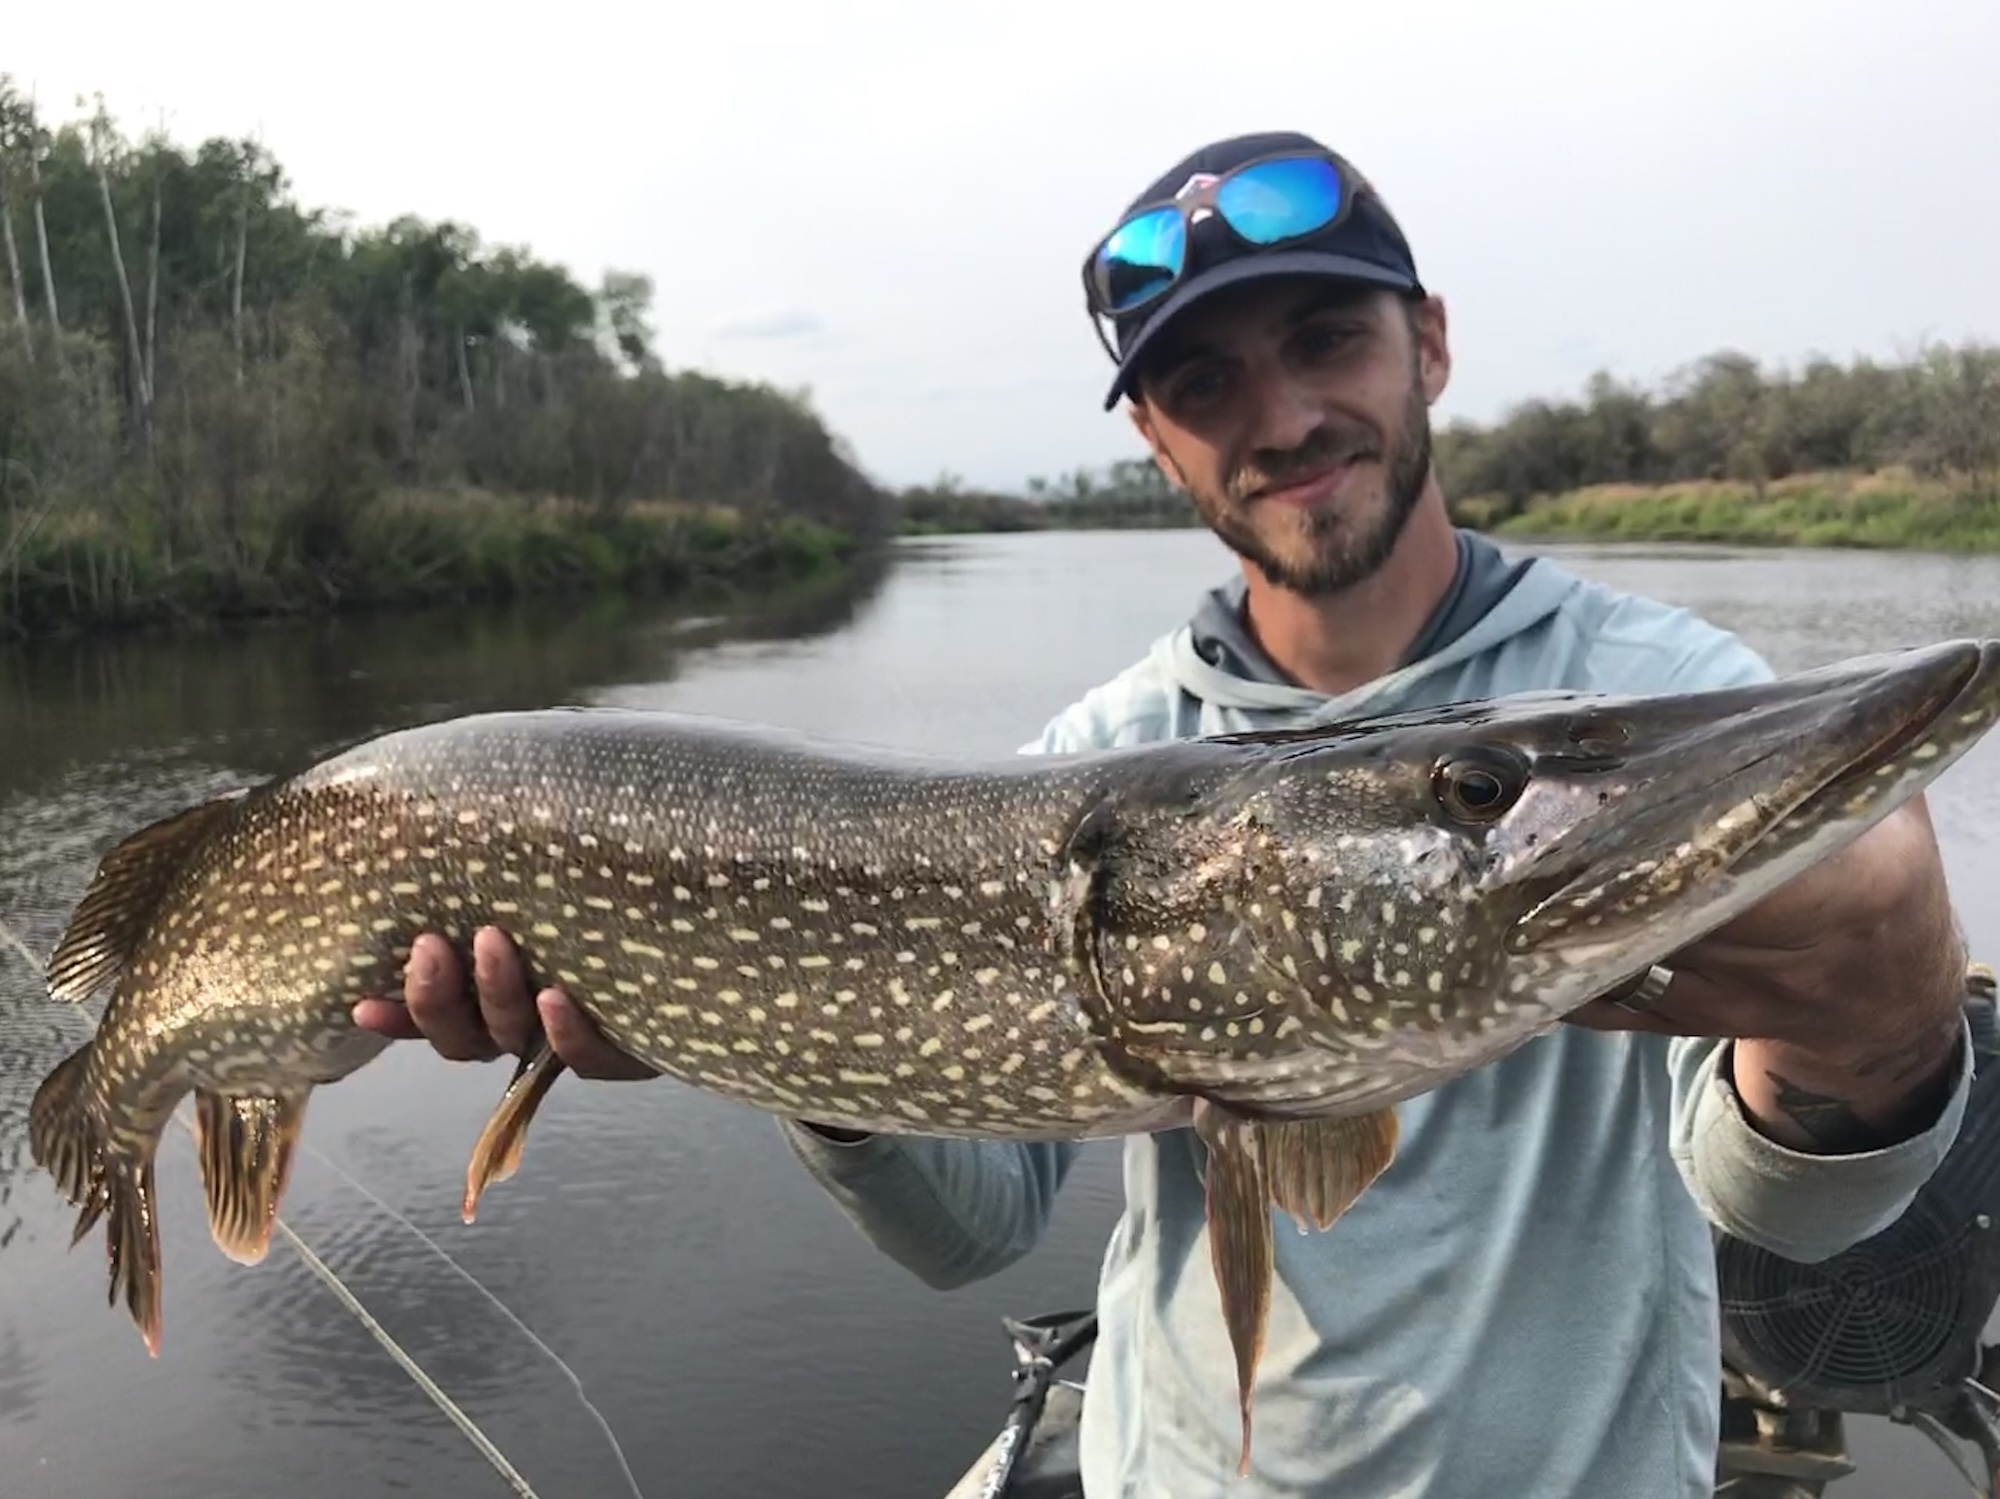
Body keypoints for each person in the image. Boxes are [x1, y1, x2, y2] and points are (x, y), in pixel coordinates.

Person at [353, 131, 1977, 1498]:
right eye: (1206, 381)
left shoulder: (1656, 680)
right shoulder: (1107, 752)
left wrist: (1883, 1042)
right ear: (1151, 435)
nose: (1279, 422)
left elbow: (1777, 1212)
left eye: (1326, 342)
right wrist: (788, 1051)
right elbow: (977, 1230)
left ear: (1430, 342)